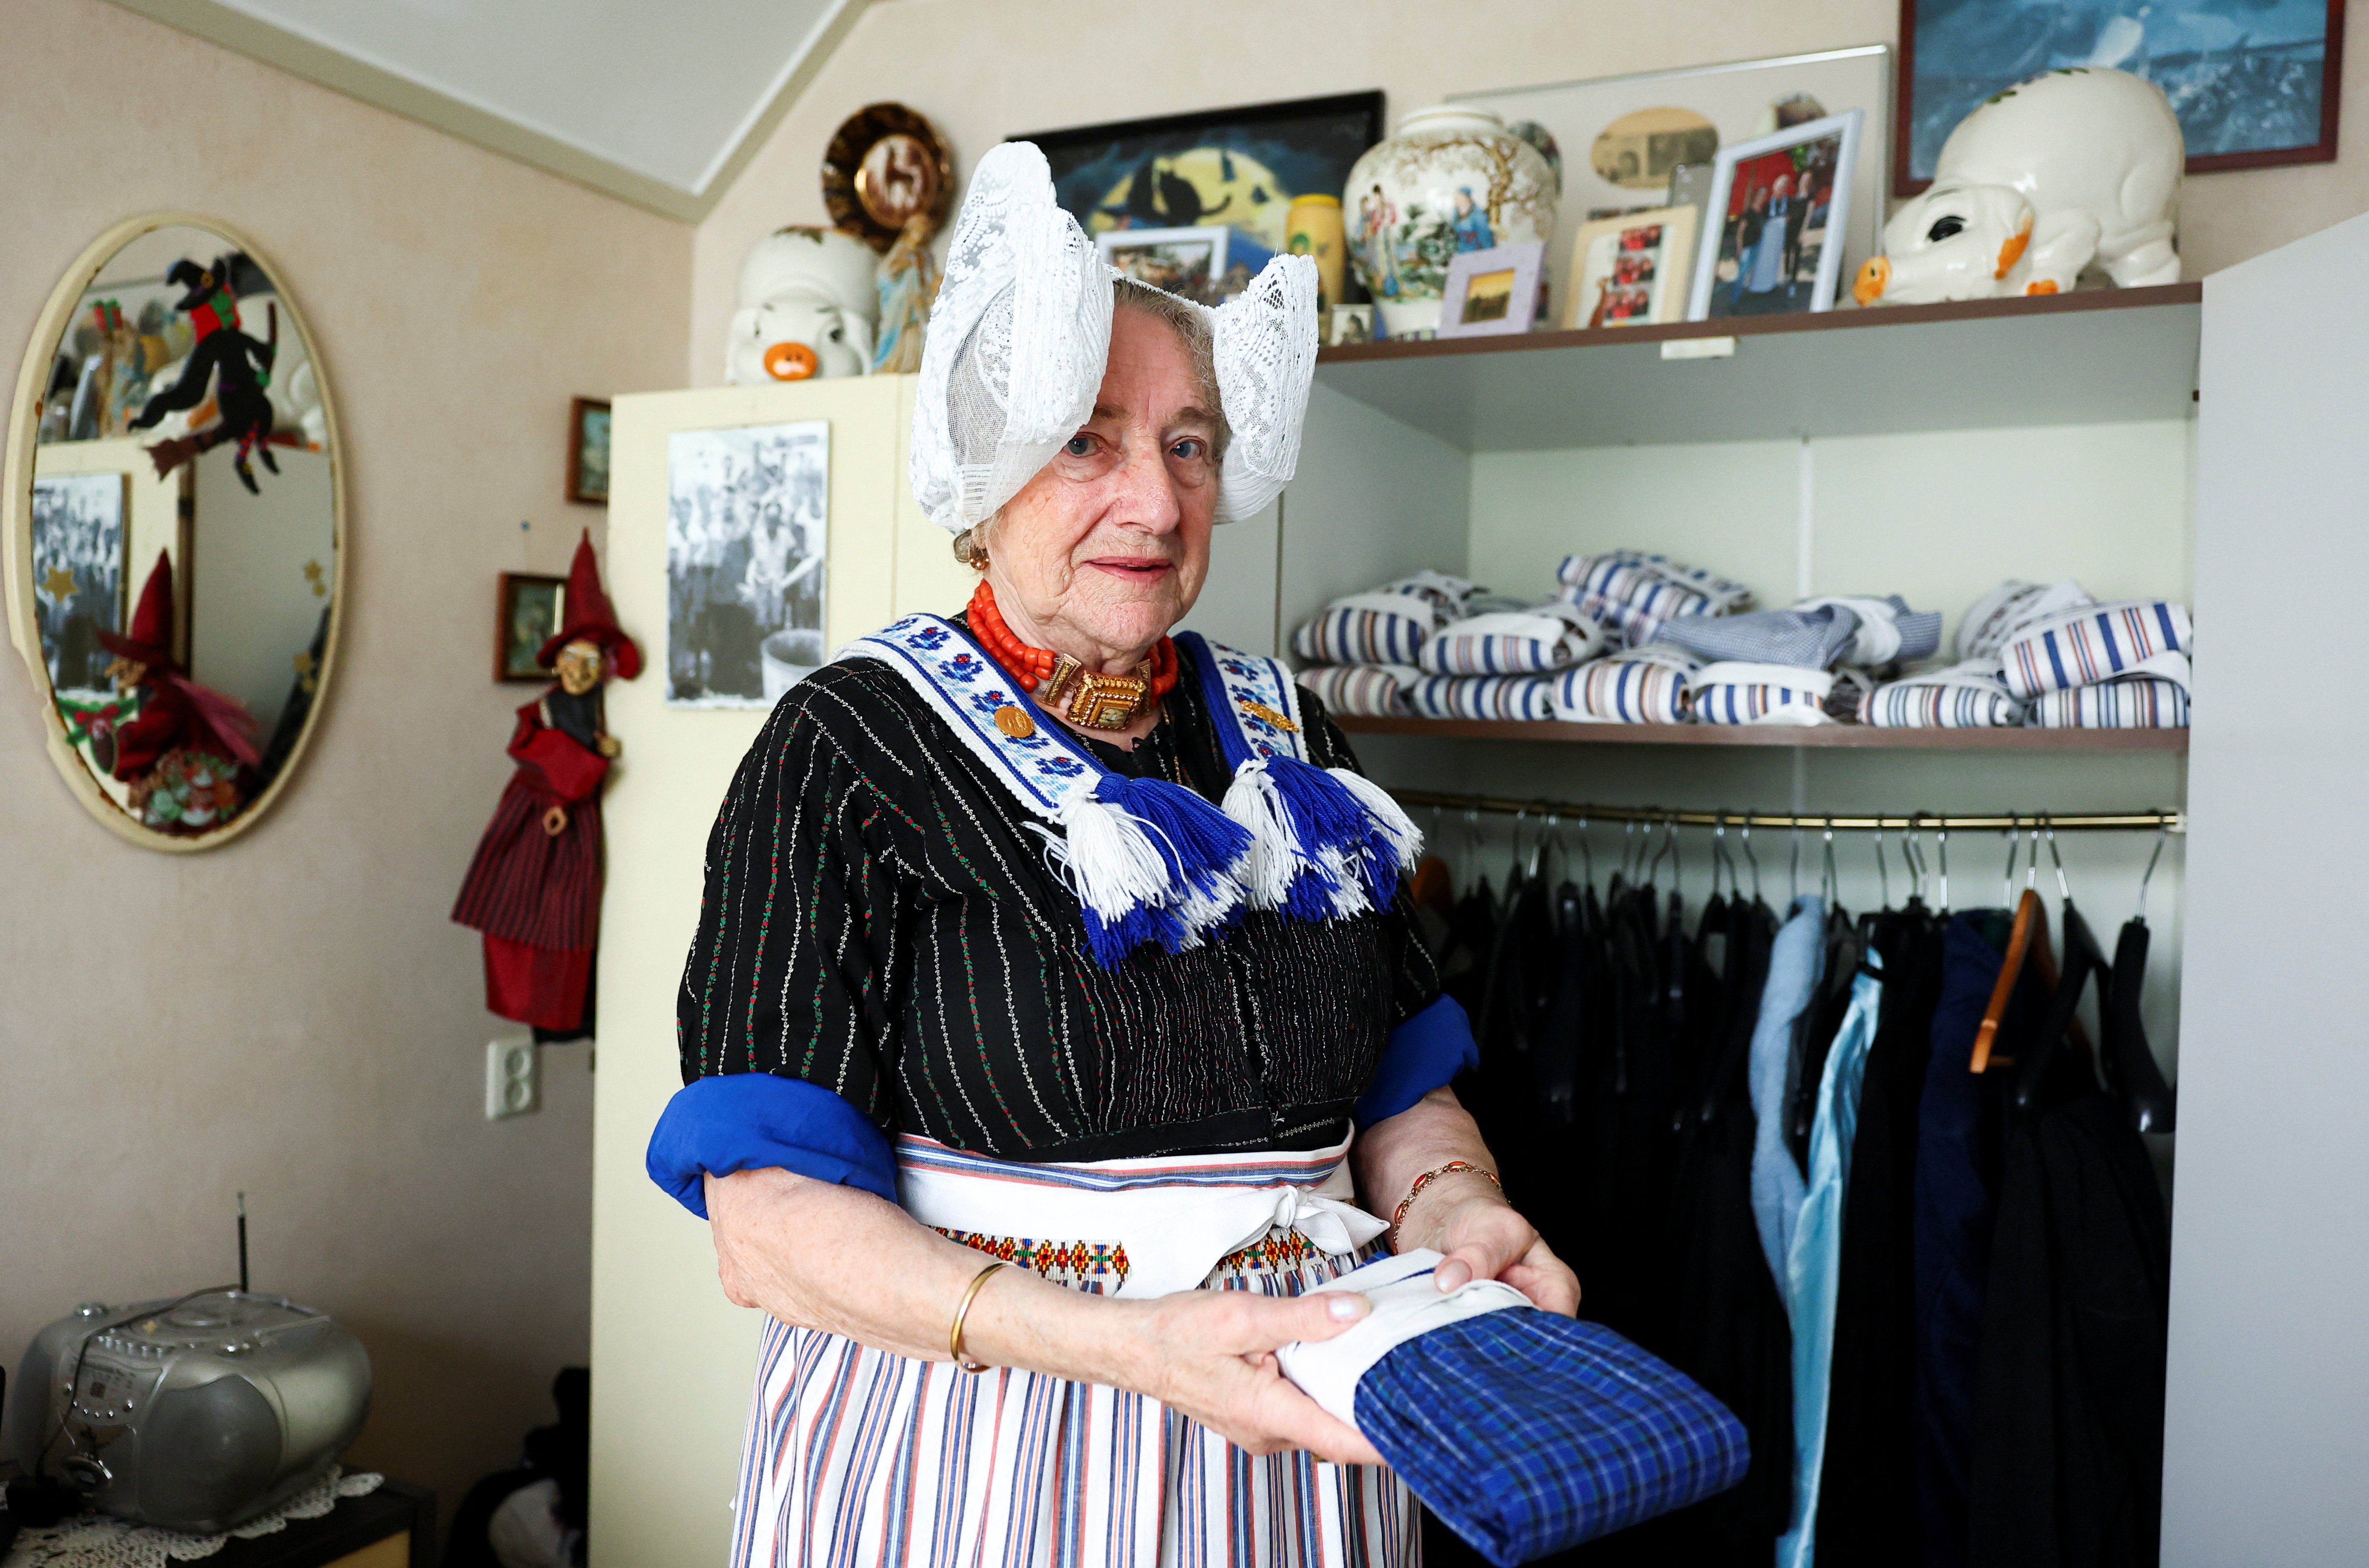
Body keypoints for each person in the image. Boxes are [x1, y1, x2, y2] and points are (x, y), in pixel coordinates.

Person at [646, 141, 1579, 1568]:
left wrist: (1461, 1211)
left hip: (1300, 1450)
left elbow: (1404, 1080)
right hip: (978, 1461)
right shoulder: (846, 745)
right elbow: (766, 1228)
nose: (1155, 501)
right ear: (987, 461)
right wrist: (1132, 1350)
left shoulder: (1286, 729)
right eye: (1087, 438)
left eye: (1189, 444)